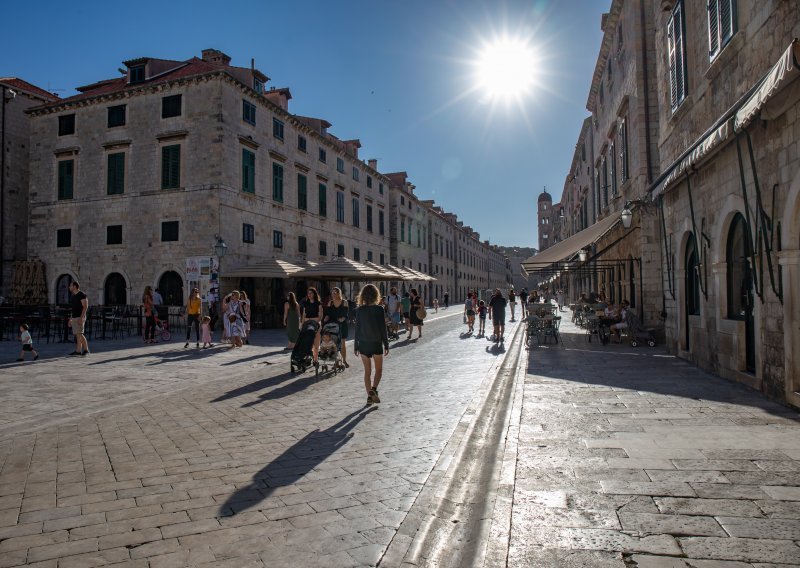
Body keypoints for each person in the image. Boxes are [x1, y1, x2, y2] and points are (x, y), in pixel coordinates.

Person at [354, 284, 390, 406]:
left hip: (363, 343)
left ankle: (369, 397)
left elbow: (357, 329)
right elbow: (383, 328)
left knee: (367, 372)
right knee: (378, 370)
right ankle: (373, 390)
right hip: (376, 343)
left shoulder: (359, 310)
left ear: (363, 295)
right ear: (376, 295)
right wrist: (386, 344)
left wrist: (355, 346)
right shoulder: (379, 309)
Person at [324, 287, 350, 368]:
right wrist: (325, 319)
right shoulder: (330, 303)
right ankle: (336, 362)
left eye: (335, 292)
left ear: (339, 293)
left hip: (342, 325)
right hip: (333, 325)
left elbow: (346, 314)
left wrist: (342, 319)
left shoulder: (344, 302)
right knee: (334, 343)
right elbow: (328, 314)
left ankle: (344, 360)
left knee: (342, 344)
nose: (333, 294)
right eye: (332, 293)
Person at [301, 287, 323, 363]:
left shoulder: (318, 303)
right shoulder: (306, 303)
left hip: (315, 323)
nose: (309, 295)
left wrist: (315, 321)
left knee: (316, 343)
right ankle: (307, 357)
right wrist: (302, 324)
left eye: (311, 293)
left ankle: (315, 359)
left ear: (314, 294)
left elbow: (320, 315)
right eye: (308, 293)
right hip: (307, 324)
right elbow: (304, 314)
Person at [69, 280, 90, 355]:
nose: (69, 287)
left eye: (70, 286)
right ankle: (78, 351)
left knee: (80, 334)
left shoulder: (82, 295)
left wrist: (81, 318)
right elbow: (73, 308)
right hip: (74, 317)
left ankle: (86, 350)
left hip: (80, 317)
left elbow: (85, 307)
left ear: (74, 286)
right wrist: (70, 319)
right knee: (77, 334)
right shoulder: (73, 296)